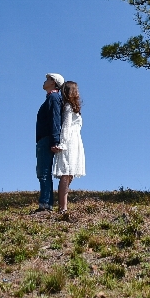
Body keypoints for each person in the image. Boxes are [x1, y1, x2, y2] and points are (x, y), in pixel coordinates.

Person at [53, 80, 85, 216]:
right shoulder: (67, 107)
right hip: (69, 142)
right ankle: (63, 207)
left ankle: (63, 205)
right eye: (76, 90)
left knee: (69, 174)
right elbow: (66, 126)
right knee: (66, 174)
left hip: (75, 141)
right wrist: (63, 143)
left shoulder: (72, 107)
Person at [33, 73, 63, 213]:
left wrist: (55, 140)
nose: (44, 81)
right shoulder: (51, 98)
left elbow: (55, 119)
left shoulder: (54, 97)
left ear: (53, 82)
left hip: (46, 139)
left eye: (47, 79)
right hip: (44, 139)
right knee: (42, 172)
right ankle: (45, 203)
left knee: (44, 172)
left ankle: (45, 205)